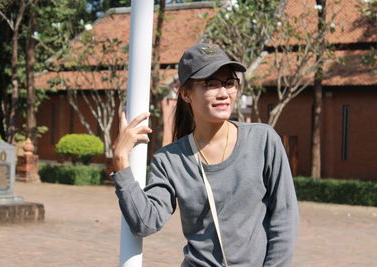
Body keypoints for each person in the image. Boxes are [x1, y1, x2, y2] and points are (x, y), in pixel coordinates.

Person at [112, 43, 299, 266]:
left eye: (229, 83)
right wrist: (120, 160)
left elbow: (284, 219)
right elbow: (145, 222)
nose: (223, 93)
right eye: (211, 84)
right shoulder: (169, 160)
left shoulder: (264, 140)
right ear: (185, 93)